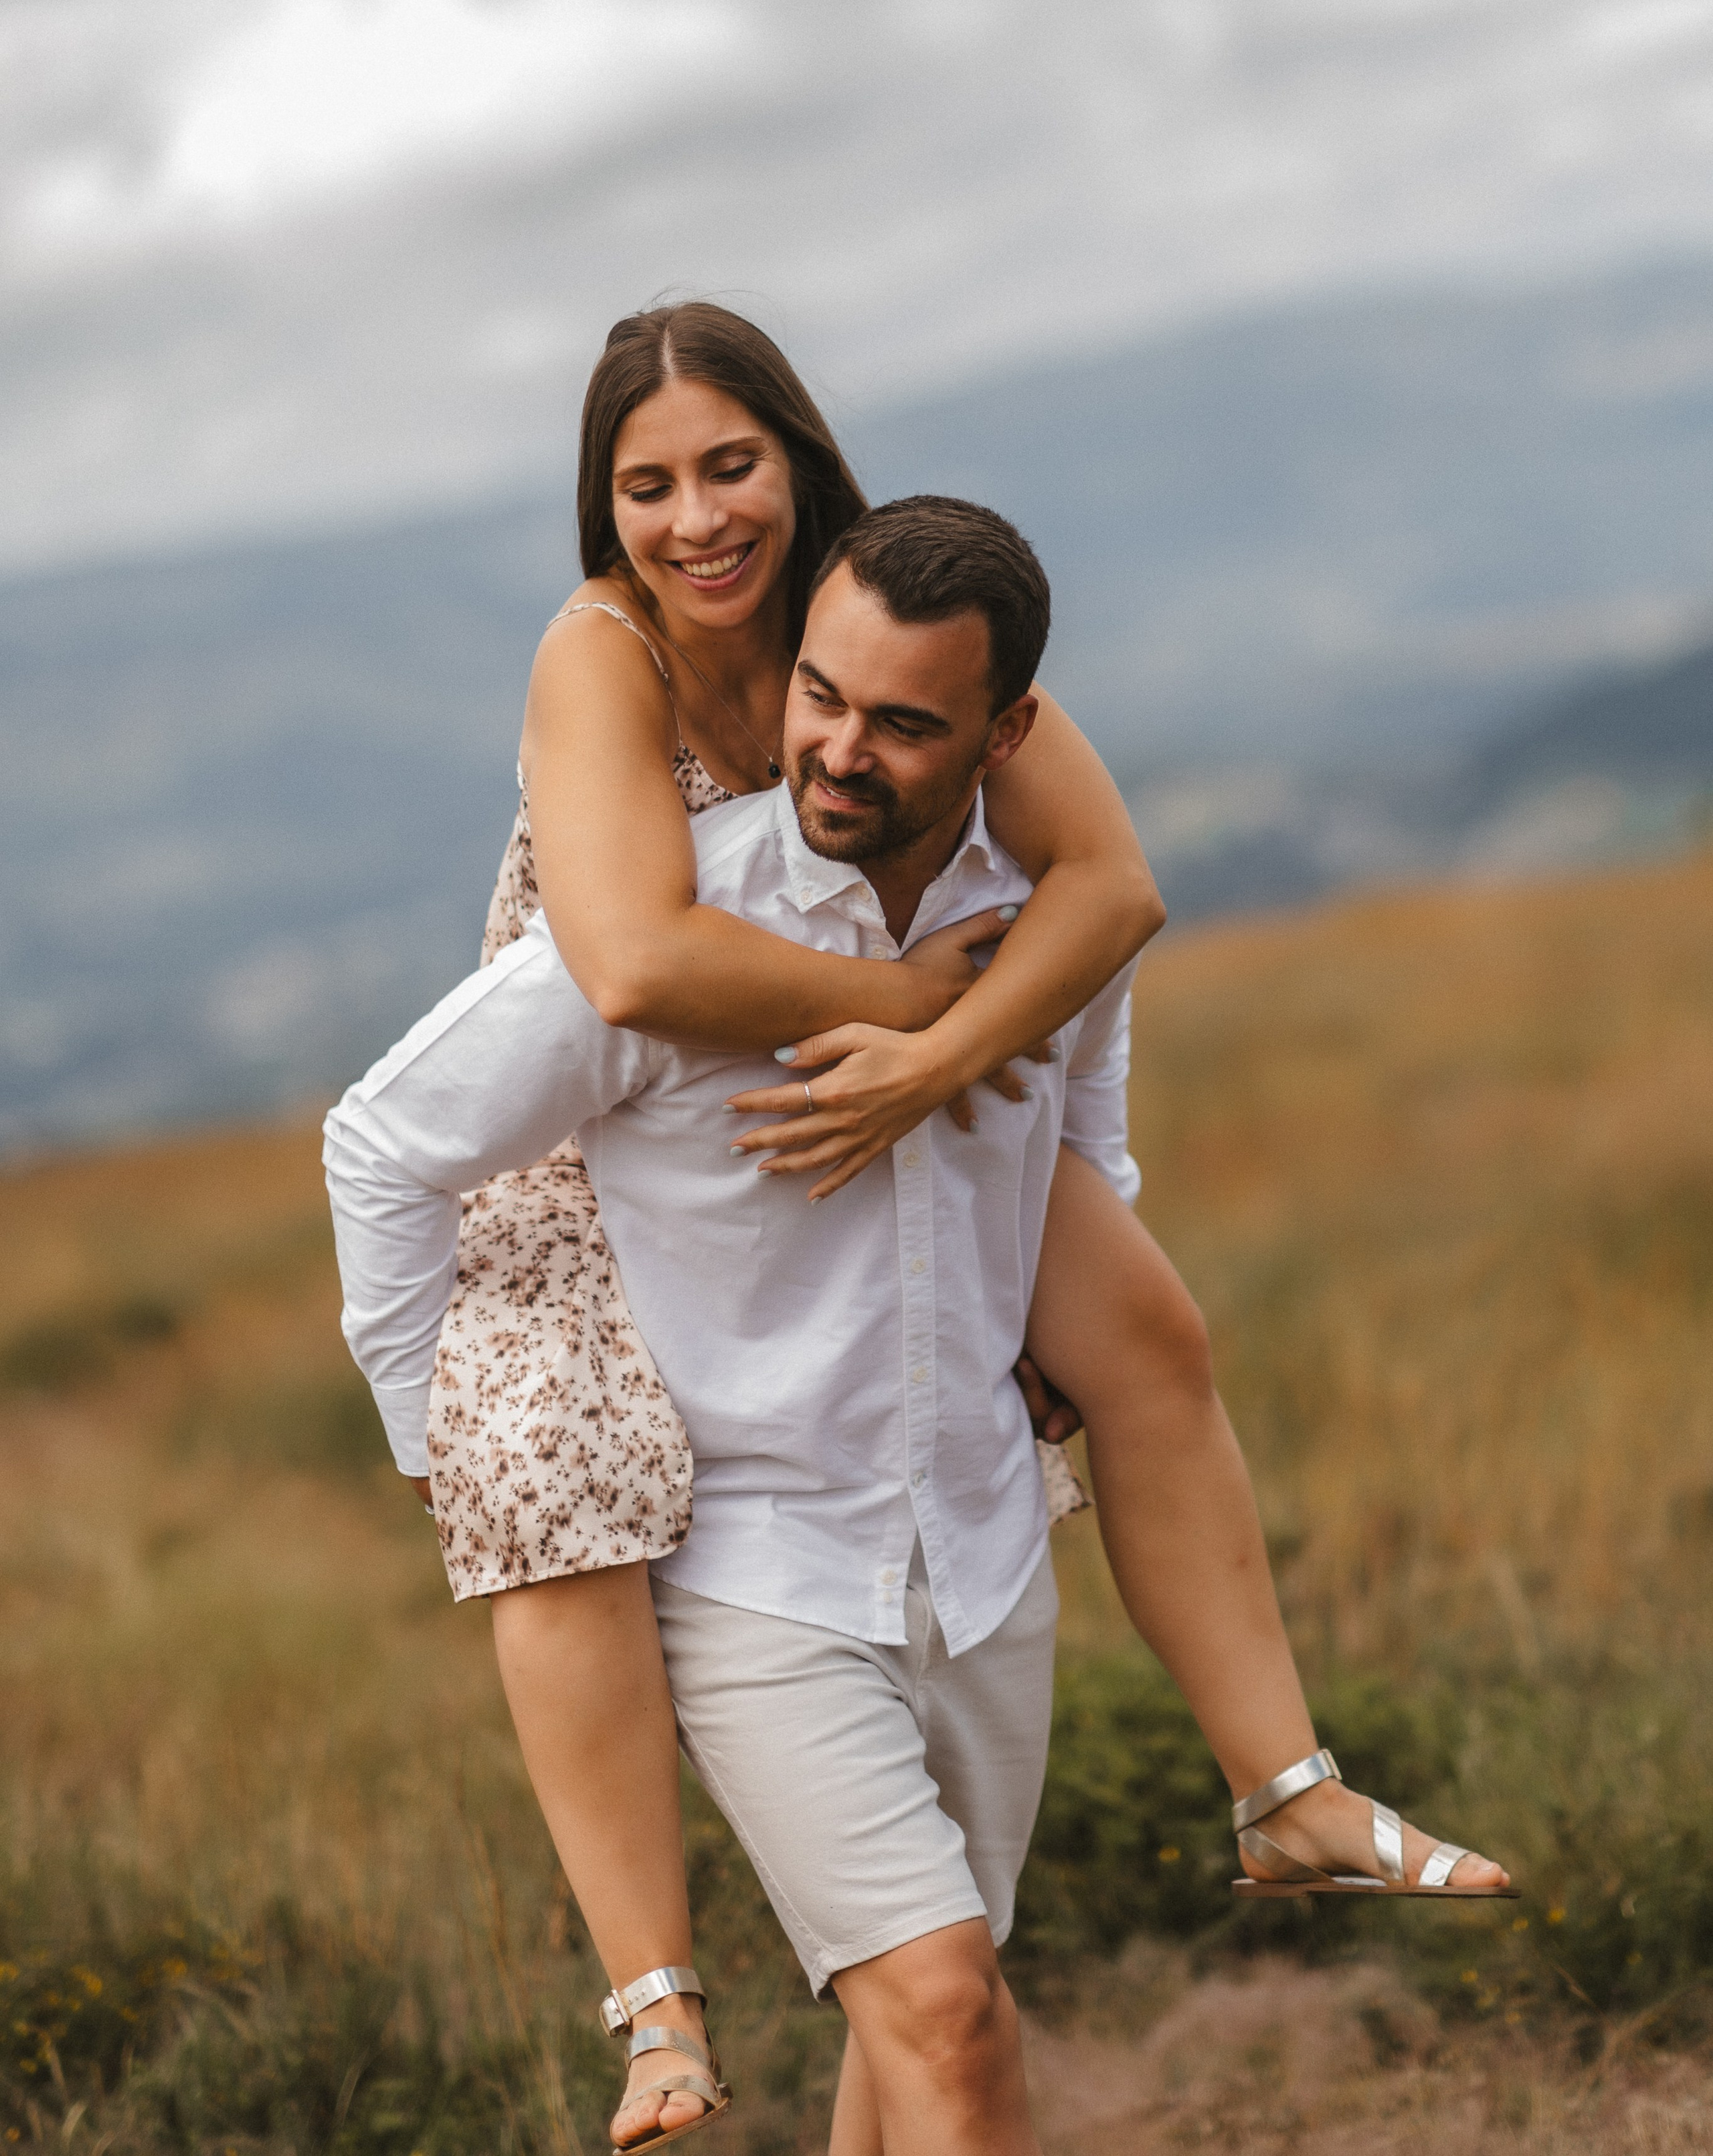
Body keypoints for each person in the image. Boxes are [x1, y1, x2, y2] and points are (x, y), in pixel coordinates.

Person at [350, 308, 1508, 2147]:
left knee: (1146, 1340)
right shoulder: (604, 653)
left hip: (897, 1076)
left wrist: (960, 1053)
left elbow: (1104, 895)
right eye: (646, 482)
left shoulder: (901, 608)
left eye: (730, 465)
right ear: (605, 504)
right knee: (550, 1500)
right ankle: (657, 2005)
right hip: (614, 1097)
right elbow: (637, 957)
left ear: (800, 464)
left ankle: (1281, 1781)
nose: (694, 517)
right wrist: (903, 1023)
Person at [327, 501, 1156, 2153]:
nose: (845, 748)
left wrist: (1055, 1295)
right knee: (942, 2014)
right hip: (756, 1561)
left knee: (932, 2012)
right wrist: (426, 1430)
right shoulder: (671, 922)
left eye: (903, 721)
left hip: (971, 1540)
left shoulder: (1023, 900)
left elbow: (1085, 1103)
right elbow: (381, 1141)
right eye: (821, 701)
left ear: (1000, 736)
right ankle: (659, 2013)